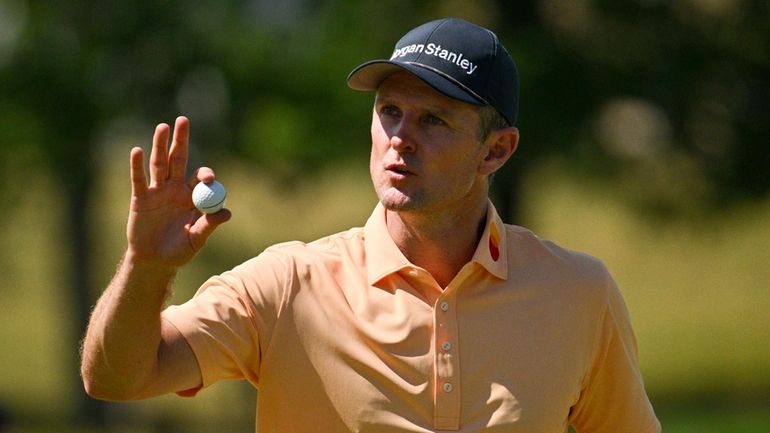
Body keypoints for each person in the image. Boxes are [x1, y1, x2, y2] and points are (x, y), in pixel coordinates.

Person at [81, 17, 661, 432]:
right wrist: (145, 268)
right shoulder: (287, 286)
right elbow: (118, 379)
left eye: (433, 120)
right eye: (389, 112)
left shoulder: (579, 293)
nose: (400, 139)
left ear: (496, 151)